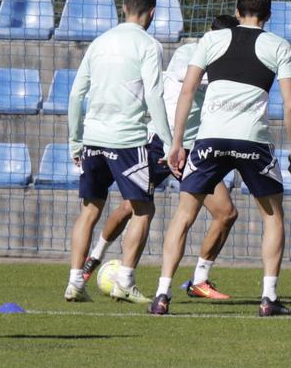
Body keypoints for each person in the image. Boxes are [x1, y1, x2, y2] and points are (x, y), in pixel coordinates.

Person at [152, 0, 291, 316]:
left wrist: (176, 144)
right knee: (272, 216)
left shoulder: (210, 41)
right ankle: (269, 298)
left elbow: (187, 90)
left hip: (210, 139)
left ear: (236, 13)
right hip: (253, 141)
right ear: (269, 15)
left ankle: (162, 295)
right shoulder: (279, 45)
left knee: (184, 215)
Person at [83, 16, 241, 301]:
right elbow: (186, 79)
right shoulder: (187, 52)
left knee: (226, 212)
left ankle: (200, 279)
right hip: (162, 142)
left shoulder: (227, 63)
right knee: (133, 206)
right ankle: (94, 257)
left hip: (194, 149)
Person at [64, 0, 171, 305]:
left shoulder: (99, 43)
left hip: (92, 138)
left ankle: (74, 283)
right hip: (127, 141)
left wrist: (74, 139)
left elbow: (75, 94)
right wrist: (167, 141)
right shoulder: (149, 46)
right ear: (152, 12)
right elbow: (154, 94)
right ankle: (125, 279)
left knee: (90, 209)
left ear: (124, 8)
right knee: (143, 208)